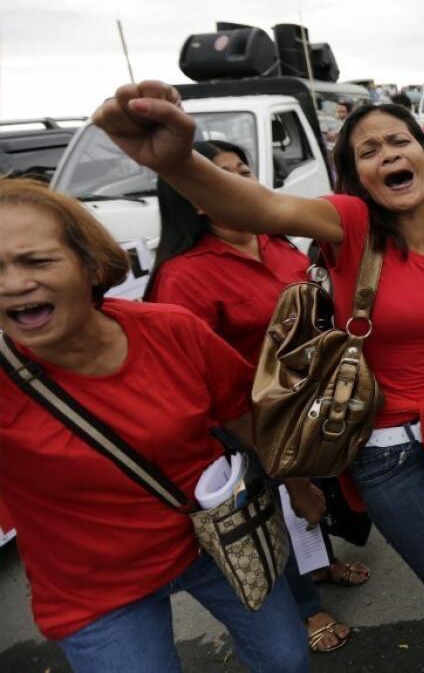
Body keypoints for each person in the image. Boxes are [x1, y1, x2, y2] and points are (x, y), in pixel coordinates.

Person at [90, 81, 424, 673]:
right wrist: (176, 160)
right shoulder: (352, 225)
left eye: (400, 141)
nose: (389, 154)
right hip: (388, 455)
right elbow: (260, 206)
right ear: (356, 177)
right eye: (369, 150)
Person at [0, 179, 309, 673]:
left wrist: (297, 482)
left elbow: (241, 415)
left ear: (90, 264)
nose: (13, 283)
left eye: (36, 261)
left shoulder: (171, 329)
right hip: (94, 593)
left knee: (287, 660)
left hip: (217, 541)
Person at [145, 140, 369, 654]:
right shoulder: (184, 276)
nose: (244, 181)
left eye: (245, 171)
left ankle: (325, 564)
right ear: (199, 195)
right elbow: (195, 377)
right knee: (276, 511)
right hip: (246, 421)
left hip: (311, 404)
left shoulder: (278, 242)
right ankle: (305, 607)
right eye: (225, 174)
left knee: (318, 497)